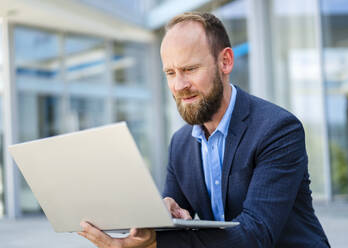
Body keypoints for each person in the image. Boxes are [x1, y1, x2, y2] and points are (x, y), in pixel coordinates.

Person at [78, 12, 330, 248]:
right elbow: (173, 229)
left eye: (189, 69)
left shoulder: (277, 129)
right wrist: (160, 215)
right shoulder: (181, 143)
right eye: (170, 72)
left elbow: (256, 234)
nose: (179, 85)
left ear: (226, 61)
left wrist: (155, 243)